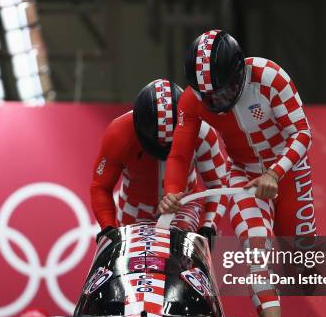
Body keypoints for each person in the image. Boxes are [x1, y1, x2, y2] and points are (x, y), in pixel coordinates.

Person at [159, 30, 317, 317]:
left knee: (298, 253)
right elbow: (179, 154)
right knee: (255, 247)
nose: (217, 102)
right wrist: (173, 192)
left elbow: (302, 133)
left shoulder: (270, 78)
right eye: (209, 97)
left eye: (225, 92)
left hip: (287, 172)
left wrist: (275, 172)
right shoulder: (191, 101)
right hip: (243, 176)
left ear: (239, 75)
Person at [90, 78, 228, 243]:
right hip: (134, 210)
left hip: (185, 205)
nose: (164, 152)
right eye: (157, 145)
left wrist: (207, 225)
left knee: (178, 252)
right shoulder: (119, 133)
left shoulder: (201, 131)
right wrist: (108, 227)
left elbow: (218, 183)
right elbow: (101, 186)